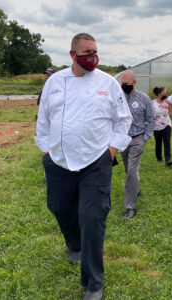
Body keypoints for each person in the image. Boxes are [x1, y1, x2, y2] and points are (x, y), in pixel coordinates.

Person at [35, 33, 132, 300]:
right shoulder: (55, 82)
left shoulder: (107, 83)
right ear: (72, 54)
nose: (93, 57)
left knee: (92, 219)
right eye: (87, 51)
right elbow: (43, 120)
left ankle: (93, 283)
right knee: (59, 207)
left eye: (95, 51)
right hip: (58, 161)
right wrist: (45, 148)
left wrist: (110, 151)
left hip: (95, 163)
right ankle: (73, 244)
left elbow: (124, 120)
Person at [120, 70, 155, 219]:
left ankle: (130, 207)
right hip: (123, 139)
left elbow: (151, 120)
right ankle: (135, 189)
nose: (124, 86)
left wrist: (145, 137)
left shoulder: (143, 99)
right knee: (128, 168)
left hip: (137, 138)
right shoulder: (118, 98)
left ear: (134, 82)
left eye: (126, 84)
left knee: (132, 171)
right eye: (122, 84)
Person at [152, 87, 172, 166]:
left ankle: (168, 160)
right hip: (156, 126)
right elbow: (149, 115)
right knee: (158, 142)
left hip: (167, 125)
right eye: (163, 93)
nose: (165, 94)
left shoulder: (167, 102)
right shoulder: (152, 103)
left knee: (167, 142)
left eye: (165, 93)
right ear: (158, 94)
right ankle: (159, 158)